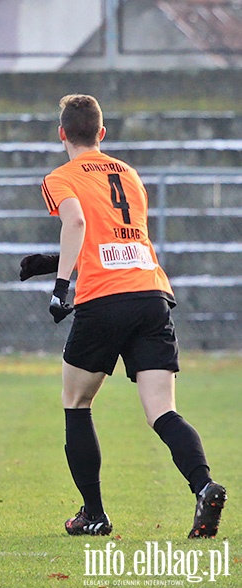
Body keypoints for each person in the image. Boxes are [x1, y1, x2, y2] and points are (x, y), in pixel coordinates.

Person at [22, 94, 226, 538]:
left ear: (61, 134)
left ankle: (93, 513)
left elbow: (77, 224)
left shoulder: (60, 176)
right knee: (162, 411)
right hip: (151, 294)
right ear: (102, 133)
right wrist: (52, 261)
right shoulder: (128, 174)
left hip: (104, 300)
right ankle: (204, 484)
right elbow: (114, 240)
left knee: (77, 403)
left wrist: (60, 289)